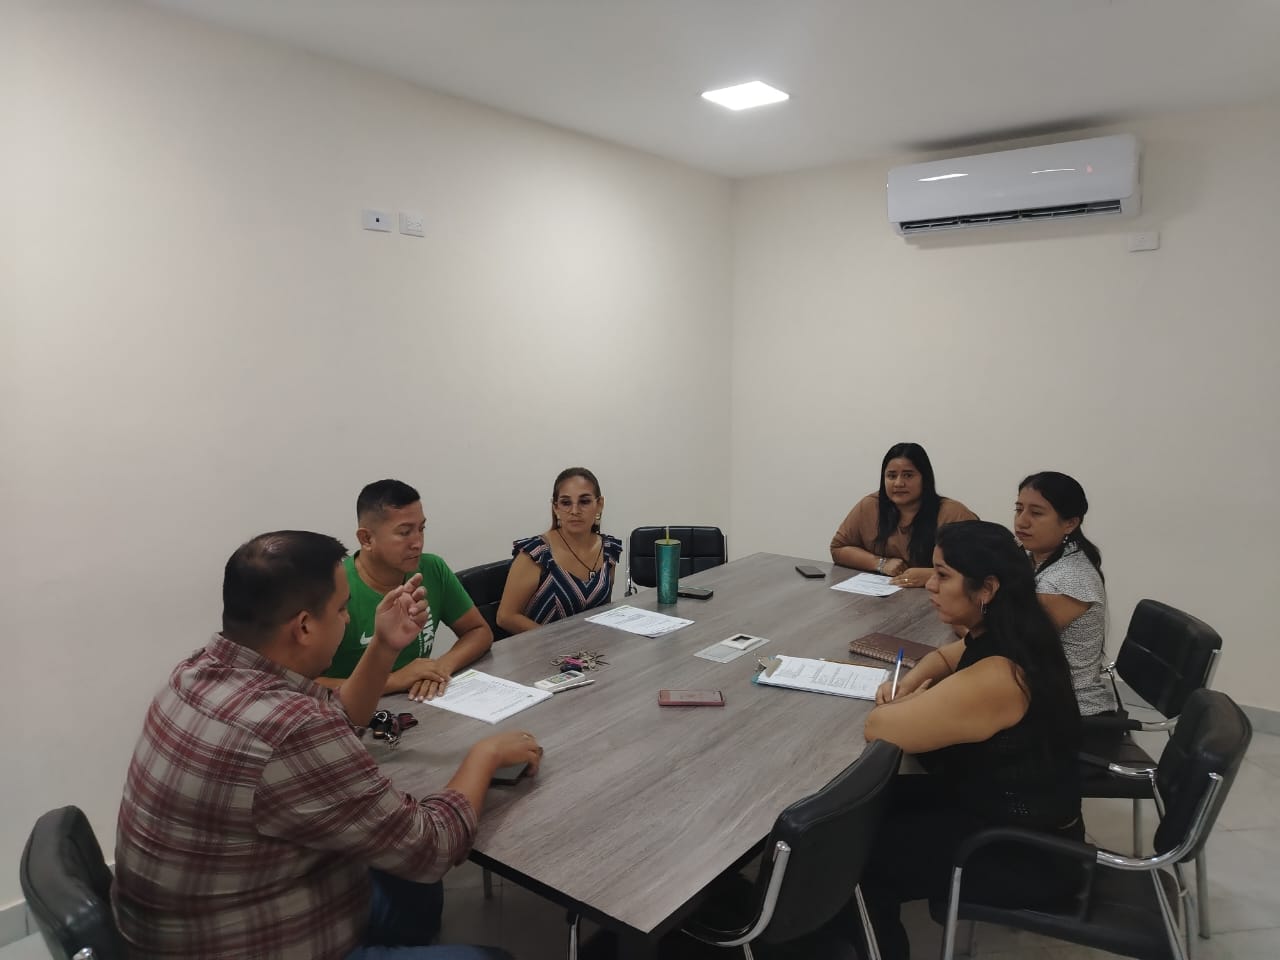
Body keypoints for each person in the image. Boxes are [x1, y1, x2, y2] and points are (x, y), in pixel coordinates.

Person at [113, 531, 541, 959]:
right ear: (303, 627)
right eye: (340, 610)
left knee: (405, 881)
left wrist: (384, 646)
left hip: (186, 924)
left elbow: (333, 721)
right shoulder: (289, 728)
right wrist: (484, 757)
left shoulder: (197, 671)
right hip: (248, 944)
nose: (348, 620)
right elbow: (432, 847)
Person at [853, 521, 1084, 960]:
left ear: (987, 589)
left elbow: (878, 728)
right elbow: (945, 656)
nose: (930, 585)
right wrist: (910, 684)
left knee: (854, 860)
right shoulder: (1015, 629)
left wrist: (905, 704)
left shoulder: (1001, 675)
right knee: (864, 807)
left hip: (1022, 852)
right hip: (997, 808)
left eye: (943, 575)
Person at [319, 480, 492, 702]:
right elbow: (304, 684)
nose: (417, 542)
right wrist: (392, 680)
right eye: (404, 532)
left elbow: (478, 631)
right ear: (367, 539)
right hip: (352, 713)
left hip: (420, 703)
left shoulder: (432, 568)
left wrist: (438, 668)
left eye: (421, 529)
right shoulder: (335, 588)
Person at [1015, 471, 1116, 717]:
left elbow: (1013, 641)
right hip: (1034, 688)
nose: (1022, 521)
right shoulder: (1036, 559)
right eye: (1019, 509)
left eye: (1036, 513)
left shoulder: (1068, 578)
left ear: (1070, 523)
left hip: (1067, 707)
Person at [830, 442, 976, 587]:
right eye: (891, 476)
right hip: (884, 594)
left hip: (938, 596)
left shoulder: (952, 513)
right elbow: (838, 548)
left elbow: (980, 566)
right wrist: (881, 563)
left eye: (908, 475)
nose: (898, 483)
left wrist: (933, 575)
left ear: (925, 478)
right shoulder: (870, 505)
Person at [497, 467, 623, 635]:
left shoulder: (608, 550)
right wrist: (558, 643)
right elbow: (506, 617)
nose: (575, 511)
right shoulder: (536, 554)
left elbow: (603, 610)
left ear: (599, 505)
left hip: (592, 648)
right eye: (566, 503)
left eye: (584, 502)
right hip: (542, 648)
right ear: (556, 508)